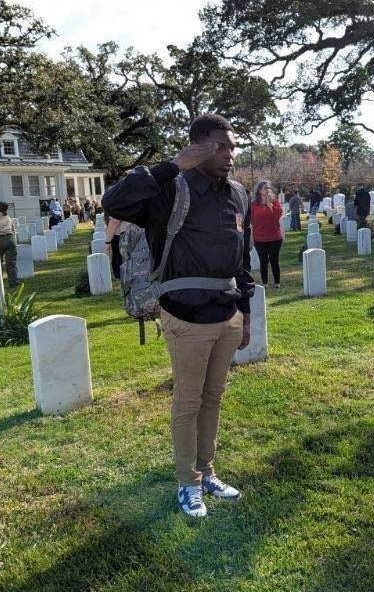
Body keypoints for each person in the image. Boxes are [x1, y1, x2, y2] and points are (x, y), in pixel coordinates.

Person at [103, 113, 254, 518]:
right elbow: (113, 202)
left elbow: (242, 260)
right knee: (188, 401)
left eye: (232, 146)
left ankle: (207, 472)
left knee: (213, 398)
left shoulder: (238, 194)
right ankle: (187, 483)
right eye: (219, 146)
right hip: (185, 316)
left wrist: (247, 312)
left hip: (227, 313)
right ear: (198, 147)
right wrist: (174, 164)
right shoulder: (171, 190)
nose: (230, 154)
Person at [251, 180, 283, 289]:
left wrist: (270, 206)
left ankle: (277, 282)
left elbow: (277, 217)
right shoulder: (254, 204)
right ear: (260, 190)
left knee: (274, 260)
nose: (267, 189)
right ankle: (264, 283)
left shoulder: (275, 202)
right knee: (263, 261)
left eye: (269, 187)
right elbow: (251, 220)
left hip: (274, 237)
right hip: (259, 238)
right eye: (265, 187)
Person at [0, 201, 18, 288]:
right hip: (10, 239)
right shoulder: (8, 217)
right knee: (11, 263)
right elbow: (13, 229)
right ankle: (13, 282)